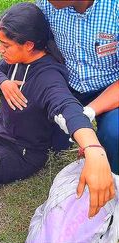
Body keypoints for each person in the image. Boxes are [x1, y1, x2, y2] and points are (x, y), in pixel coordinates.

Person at [0, 3, 115, 218]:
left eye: (5, 45)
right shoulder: (14, 58)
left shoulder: (48, 78)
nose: (0, 49)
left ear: (29, 44)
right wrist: (3, 82)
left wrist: (93, 148)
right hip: (0, 126)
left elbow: (68, 108)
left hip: (21, 153)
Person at [37, 0, 119, 174]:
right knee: (47, 135)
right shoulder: (46, 6)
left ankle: (111, 179)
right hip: (68, 85)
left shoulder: (114, 9)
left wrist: (88, 112)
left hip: (110, 88)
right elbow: (31, 45)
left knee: (115, 133)